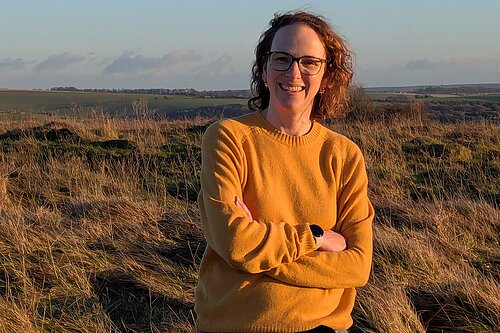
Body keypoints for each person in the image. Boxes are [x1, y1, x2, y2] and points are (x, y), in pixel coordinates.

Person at [195, 10, 374, 333]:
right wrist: (317, 237)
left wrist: (258, 252)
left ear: (327, 77)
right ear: (264, 70)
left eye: (309, 62)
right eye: (282, 59)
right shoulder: (228, 138)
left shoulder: (344, 155)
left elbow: (358, 267)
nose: (293, 73)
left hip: (326, 328)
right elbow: (236, 244)